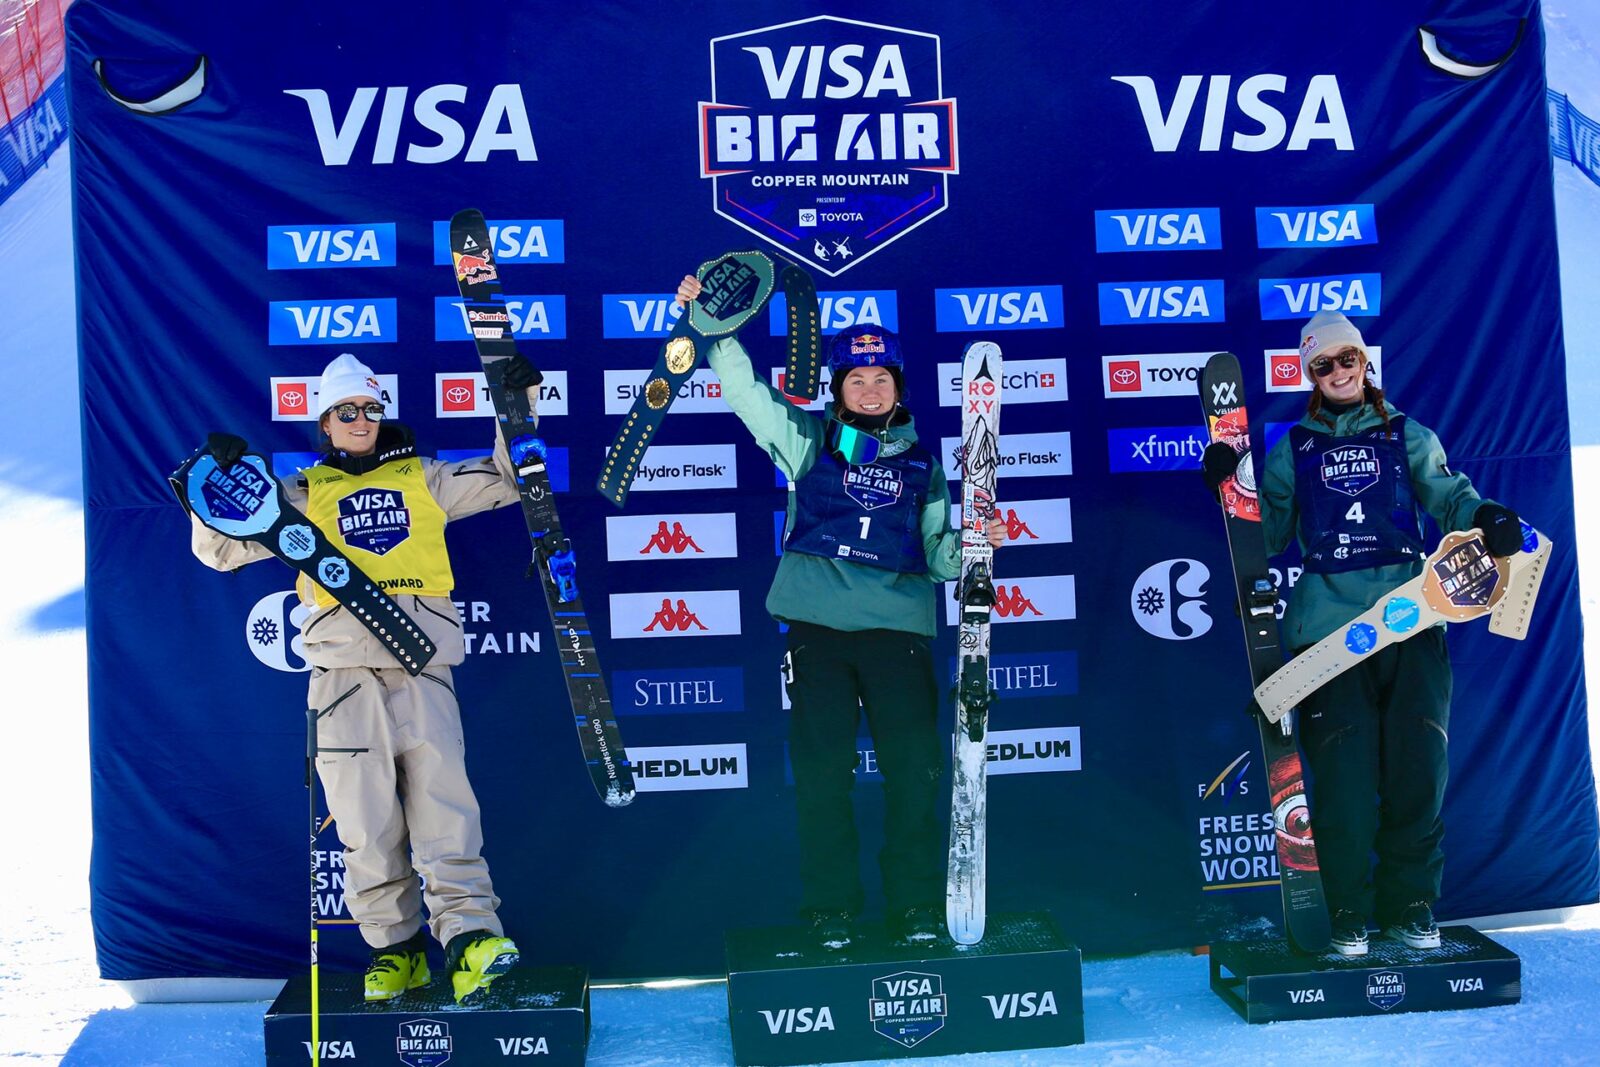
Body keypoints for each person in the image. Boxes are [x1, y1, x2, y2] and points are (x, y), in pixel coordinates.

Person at [183, 351, 541, 1002]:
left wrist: (516, 410)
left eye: (370, 408)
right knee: (364, 820)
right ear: (324, 420)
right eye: (345, 410)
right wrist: (217, 487)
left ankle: (470, 941)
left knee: (445, 808)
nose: (359, 420)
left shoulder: (426, 478)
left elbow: (511, 478)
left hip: (420, 666)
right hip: (341, 675)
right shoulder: (297, 494)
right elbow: (220, 550)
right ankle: (396, 949)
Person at [675, 274, 1006, 948]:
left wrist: (977, 541)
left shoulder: (925, 466)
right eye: (856, 378)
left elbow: (941, 559)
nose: (870, 388)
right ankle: (831, 909)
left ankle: (914, 905)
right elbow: (744, 394)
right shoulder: (807, 443)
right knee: (822, 778)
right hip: (818, 635)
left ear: (900, 386)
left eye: (882, 377)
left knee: (914, 775)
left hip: (898, 636)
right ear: (837, 388)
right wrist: (710, 324)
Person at [1201, 310, 1523, 956]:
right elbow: (1262, 537)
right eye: (1324, 364)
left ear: (1363, 363)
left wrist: (1487, 517)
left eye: (1348, 358)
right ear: (1309, 373)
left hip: (1410, 626)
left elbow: (1450, 495)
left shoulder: (1406, 435)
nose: (1339, 372)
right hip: (1330, 642)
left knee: (1417, 771)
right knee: (1344, 781)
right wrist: (1229, 489)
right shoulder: (1293, 451)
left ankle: (1409, 905)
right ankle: (1345, 908)